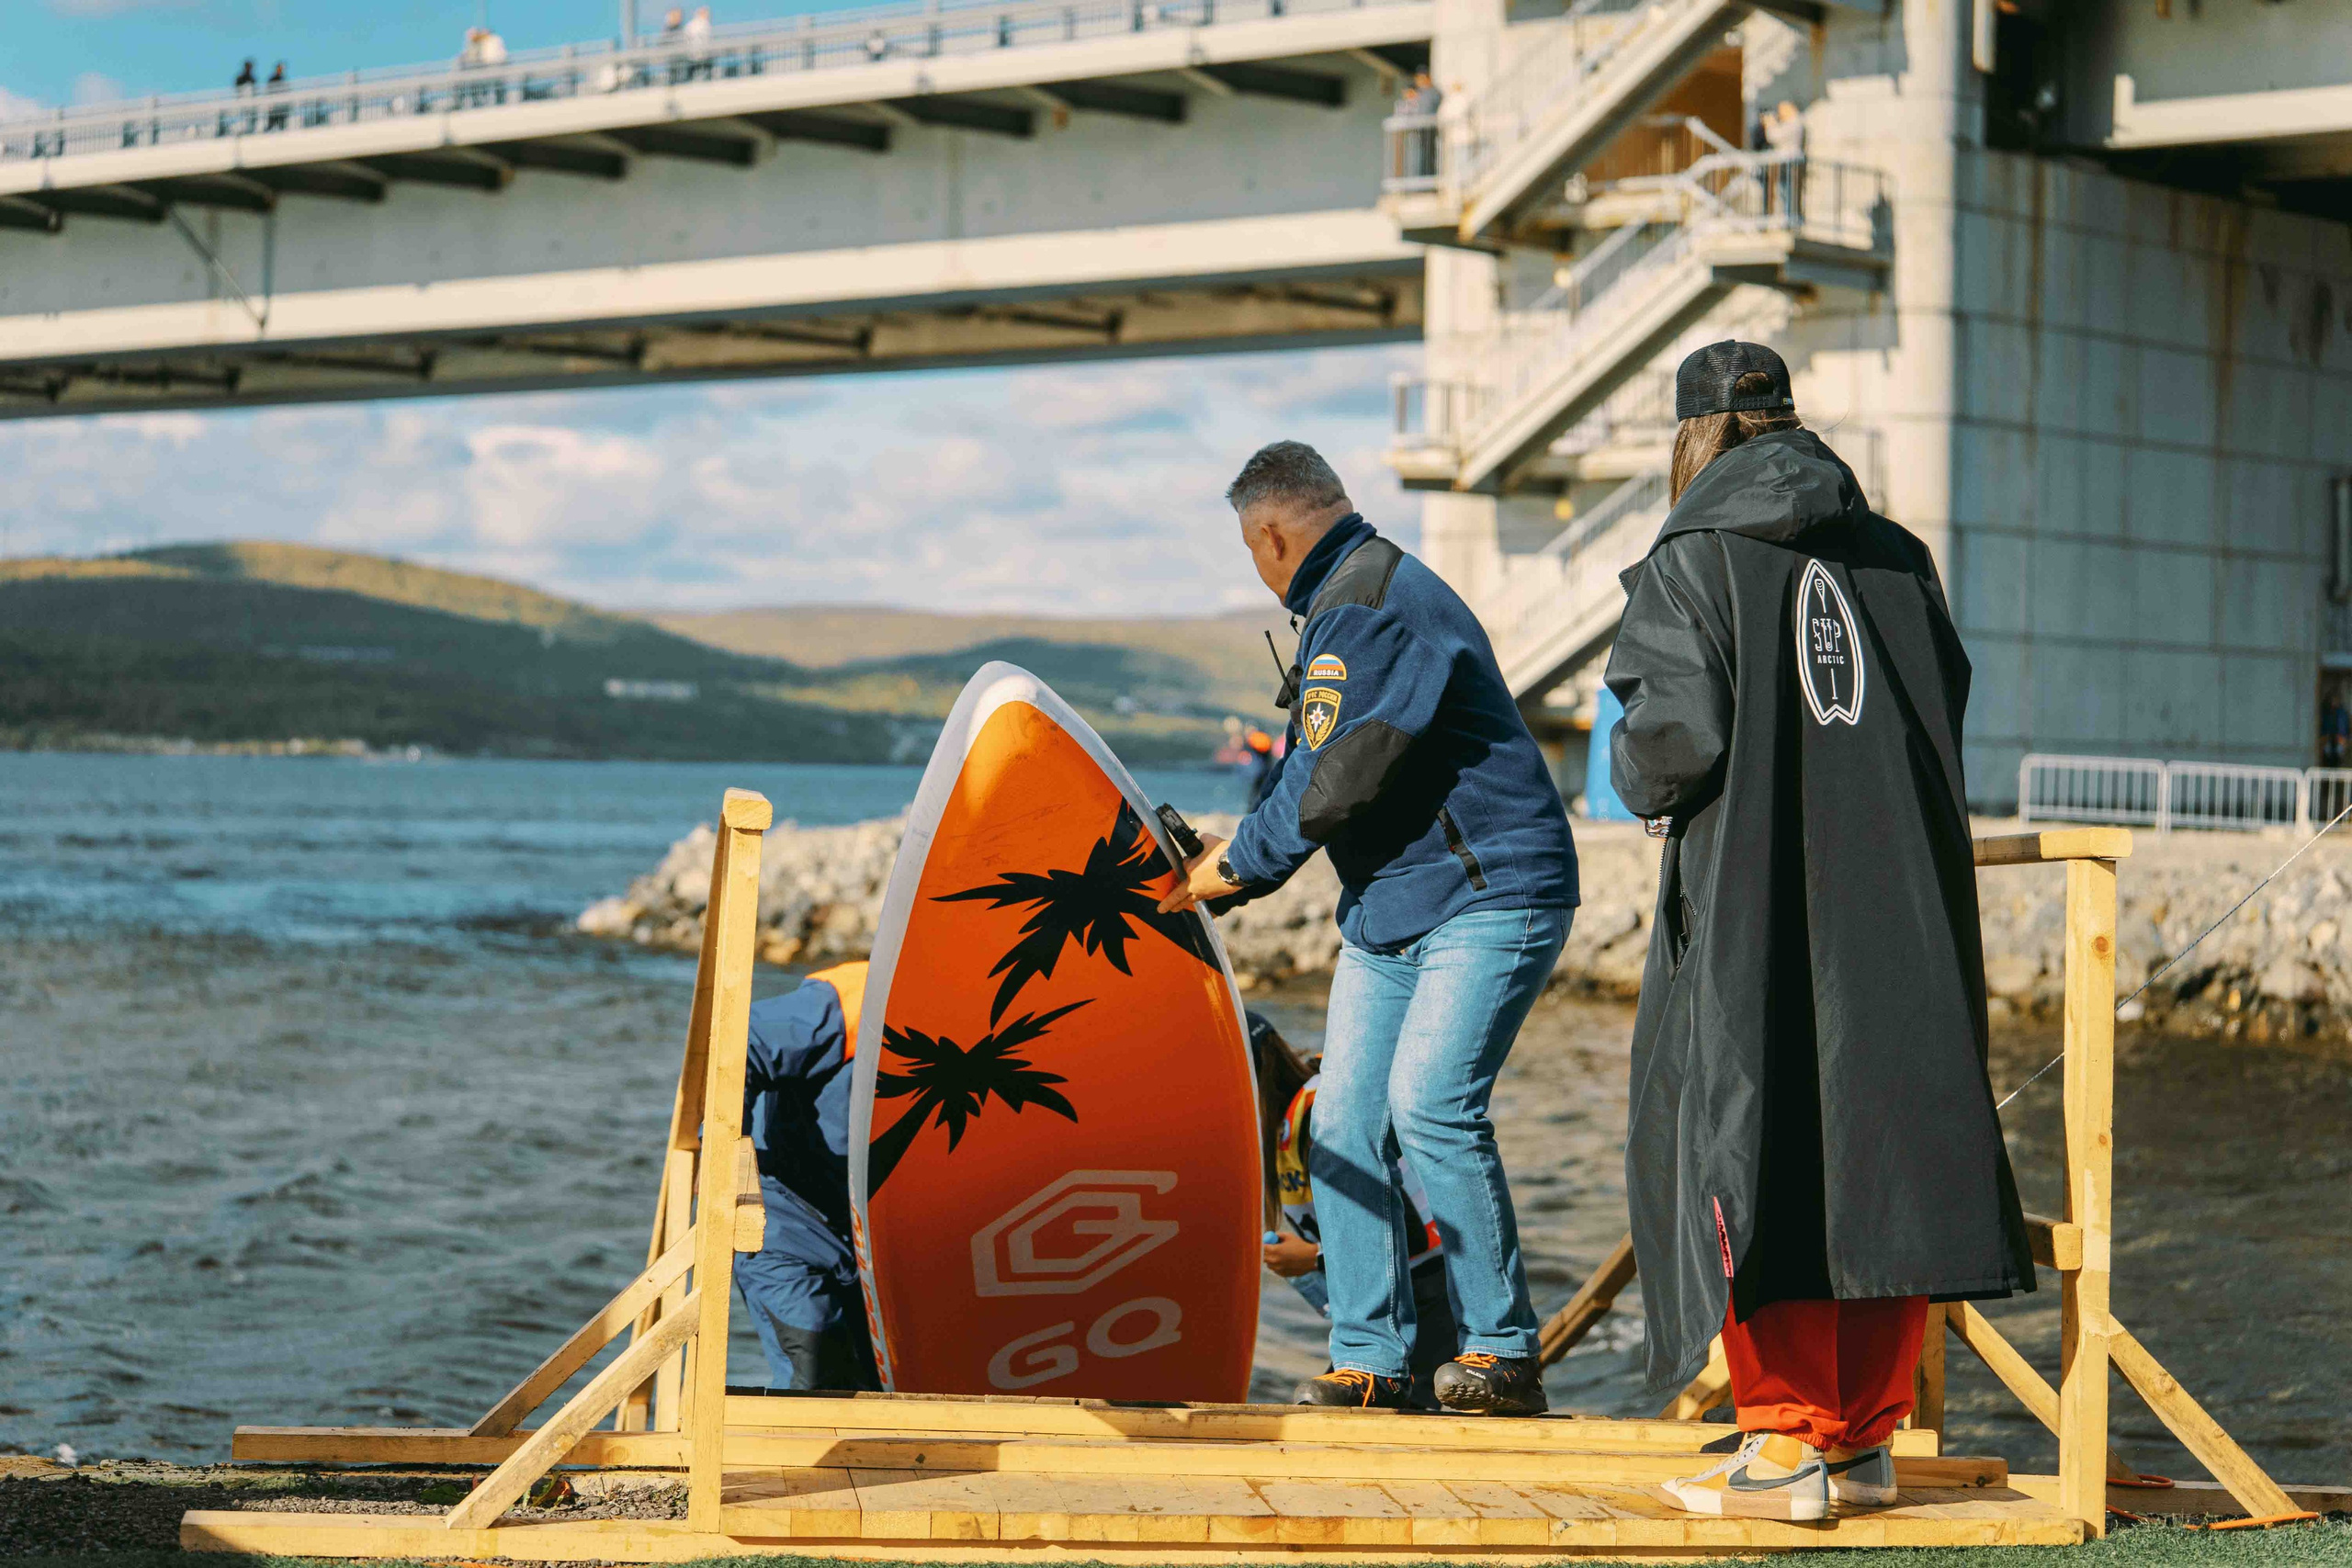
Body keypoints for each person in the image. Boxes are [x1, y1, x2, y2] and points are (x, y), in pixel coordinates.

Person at [1604, 341, 2032, 1520]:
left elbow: (1669, 745)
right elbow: (1940, 700)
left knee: (1757, 1139)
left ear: (1694, 438)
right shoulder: (1898, 555)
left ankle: (1786, 1446)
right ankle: (1863, 1441)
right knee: (1884, 1151)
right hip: (1899, 897)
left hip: (1755, 895)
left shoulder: (1689, 556)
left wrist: (1629, 761)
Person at [1160, 441, 1579, 1415]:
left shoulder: (1368, 603)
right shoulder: (1345, 602)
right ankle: (1372, 1362)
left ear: (1269, 533)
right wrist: (1237, 846)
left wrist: (1241, 867)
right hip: (1395, 909)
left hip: (1489, 894)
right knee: (1344, 1122)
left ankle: (1503, 1355)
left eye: (1248, 550)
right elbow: (1310, 764)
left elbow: (1345, 775)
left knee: (1431, 1106)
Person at [1250, 1014, 1460, 1410]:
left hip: (1428, 1297)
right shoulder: (1288, 1117)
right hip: (1398, 1302)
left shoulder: (1319, 1114)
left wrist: (1313, 1258)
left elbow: (1409, 1234)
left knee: (1362, 1425)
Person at [734, 962, 883, 1392]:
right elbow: (739, 1045)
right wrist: (727, 1163)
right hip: (782, 1220)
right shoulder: (853, 998)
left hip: (876, 1241)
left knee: (884, 1392)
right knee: (817, 1375)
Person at [1762, 100, 1804, 221]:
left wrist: (1770, 124)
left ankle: (1789, 220)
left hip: (1789, 163)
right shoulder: (1793, 123)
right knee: (1783, 192)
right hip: (1786, 162)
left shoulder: (1794, 123)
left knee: (1787, 192)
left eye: (1782, 110)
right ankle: (1786, 218)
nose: (1780, 113)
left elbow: (1773, 137)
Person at [1400, 70, 1443, 183]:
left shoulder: (1433, 92)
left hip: (1429, 129)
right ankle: (1420, 179)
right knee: (1421, 156)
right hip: (1420, 129)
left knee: (1429, 156)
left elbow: (1432, 106)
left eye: (1421, 78)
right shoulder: (1420, 93)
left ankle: (1429, 180)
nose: (1419, 81)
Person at [263, 62, 288, 132]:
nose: (281, 70)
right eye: (280, 69)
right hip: (273, 105)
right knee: (271, 122)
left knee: (281, 123)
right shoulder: (272, 79)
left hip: (280, 106)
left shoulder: (282, 79)